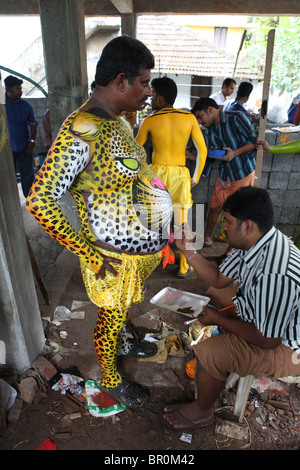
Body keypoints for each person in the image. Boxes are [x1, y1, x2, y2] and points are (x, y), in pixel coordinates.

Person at [26, 36, 174, 408]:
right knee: (110, 315)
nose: (147, 92)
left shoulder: (117, 121)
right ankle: (109, 376)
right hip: (110, 256)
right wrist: (86, 251)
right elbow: (39, 199)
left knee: (121, 311)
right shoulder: (82, 130)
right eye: (144, 83)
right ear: (121, 81)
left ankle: (125, 343)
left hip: (135, 252)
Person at [162, 186, 300, 430]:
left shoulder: (274, 273)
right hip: (265, 320)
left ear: (247, 226)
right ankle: (227, 340)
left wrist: (218, 320)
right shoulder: (258, 242)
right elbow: (218, 277)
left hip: (287, 346)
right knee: (216, 292)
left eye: (227, 221)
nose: (222, 226)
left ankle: (202, 412)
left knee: (209, 353)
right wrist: (188, 252)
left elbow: (267, 340)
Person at [136, 77, 207, 277]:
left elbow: (135, 150)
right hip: (180, 175)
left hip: (155, 175)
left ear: (160, 99)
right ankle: (185, 266)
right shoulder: (189, 118)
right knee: (182, 223)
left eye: (152, 95)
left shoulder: (149, 120)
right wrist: (196, 177)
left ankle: (150, 263)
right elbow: (202, 150)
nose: (149, 99)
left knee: (152, 223)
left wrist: (141, 175)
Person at [193, 97, 258, 253]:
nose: (200, 122)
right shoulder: (209, 132)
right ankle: (207, 237)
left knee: (237, 214)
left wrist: (234, 153)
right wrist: (192, 156)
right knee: (215, 207)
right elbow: (210, 155)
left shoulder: (236, 117)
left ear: (210, 109)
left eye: (200, 116)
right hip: (225, 175)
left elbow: (255, 140)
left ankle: (231, 249)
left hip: (242, 172)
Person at [5, 75, 38, 197]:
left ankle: (30, 198)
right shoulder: (2, 105)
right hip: (6, 149)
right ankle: (11, 200)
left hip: (24, 146)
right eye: (17, 88)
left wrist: (33, 140)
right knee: (7, 176)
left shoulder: (25, 105)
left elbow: (33, 123)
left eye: (21, 88)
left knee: (28, 174)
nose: (21, 91)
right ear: (8, 89)